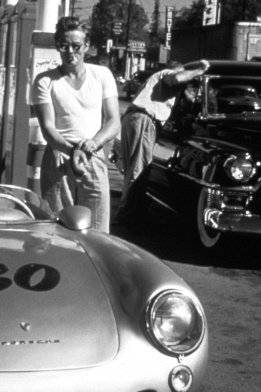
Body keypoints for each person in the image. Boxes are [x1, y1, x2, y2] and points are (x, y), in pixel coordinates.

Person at [31, 16, 120, 232]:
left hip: (93, 155)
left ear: (87, 46)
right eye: (64, 45)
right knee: (57, 227)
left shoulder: (102, 75)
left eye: (76, 46)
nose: (70, 51)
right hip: (59, 156)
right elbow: (48, 128)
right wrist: (72, 150)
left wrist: (91, 144)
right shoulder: (45, 81)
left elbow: (113, 121)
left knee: (98, 229)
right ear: (57, 47)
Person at [114, 59, 210, 225]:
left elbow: (184, 96)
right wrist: (200, 70)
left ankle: (133, 210)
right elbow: (177, 79)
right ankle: (126, 216)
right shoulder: (167, 74)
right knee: (139, 170)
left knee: (133, 168)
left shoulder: (159, 84)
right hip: (144, 120)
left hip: (133, 119)